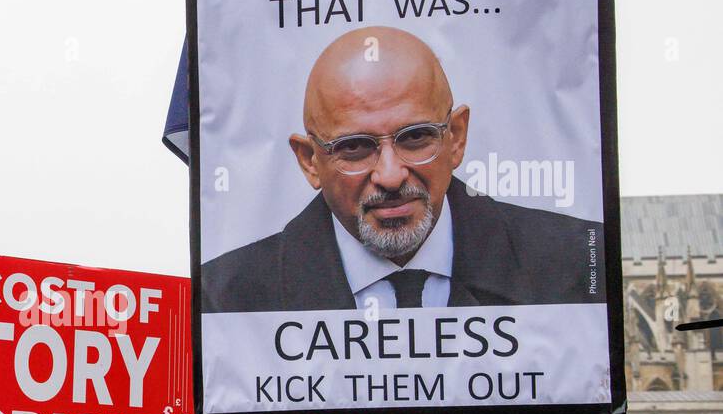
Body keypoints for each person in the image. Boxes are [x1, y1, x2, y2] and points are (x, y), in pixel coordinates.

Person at [202, 27, 604, 313]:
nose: (391, 176)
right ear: (310, 161)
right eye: (355, 148)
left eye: (416, 138)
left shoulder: (576, 263)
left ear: (457, 138)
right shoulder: (228, 297)